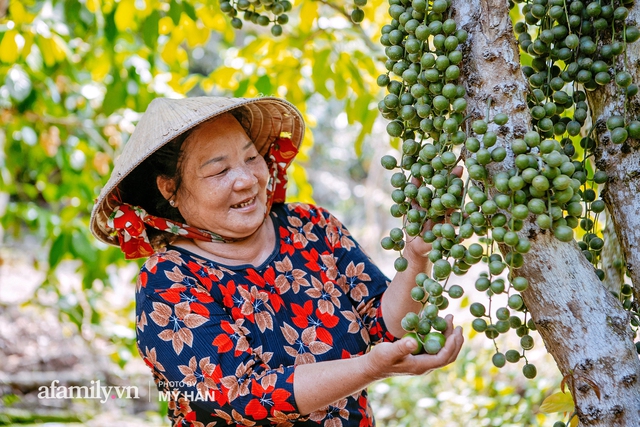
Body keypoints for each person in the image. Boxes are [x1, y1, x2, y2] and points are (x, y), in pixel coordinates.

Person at [90, 96, 464, 427]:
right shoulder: (168, 280)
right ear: (169, 189)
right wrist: (370, 368)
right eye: (219, 170)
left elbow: (386, 326)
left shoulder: (311, 226)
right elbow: (238, 397)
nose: (247, 180)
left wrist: (416, 258)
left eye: (251, 157)